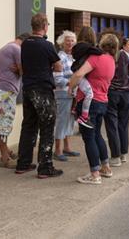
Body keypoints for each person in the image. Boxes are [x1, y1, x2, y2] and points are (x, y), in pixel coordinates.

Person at [16, 13, 63, 178]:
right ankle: (45, 167)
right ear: (44, 26)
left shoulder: (25, 44)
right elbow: (58, 67)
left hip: (28, 89)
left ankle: (23, 163)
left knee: (28, 126)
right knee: (47, 127)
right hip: (43, 89)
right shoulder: (47, 45)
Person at [68, 32, 117, 185]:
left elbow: (79, 74)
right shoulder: (111, 60)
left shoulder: (96, 58)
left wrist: (71, 86)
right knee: (97, 135)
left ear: (102, 44)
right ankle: (106, 168)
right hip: (103, 101)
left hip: (89, 103)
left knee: (89, 137)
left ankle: (94, 174)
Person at [0, 33, 30, 169]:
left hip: (2, 91)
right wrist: (21, 69)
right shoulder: (16, 49)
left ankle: (6, 151)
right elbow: (24, 71)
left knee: (3, 123)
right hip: (5, 93)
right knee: (4, 124)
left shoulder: (8, 48)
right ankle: (5, 158)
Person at [103, 31, 129, 167]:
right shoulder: (124, 56)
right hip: (126, 93)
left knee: (112, 125)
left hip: (112, 92)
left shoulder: (106, 57)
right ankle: (123, 154)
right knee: (123, 124)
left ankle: (115, 156)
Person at [53, 30, 80, 162]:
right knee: (61, 120)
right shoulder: (60, 57)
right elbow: (57, 79)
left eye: (72, 40)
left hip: (73, 94)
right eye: (67, 40)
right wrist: (72, 82)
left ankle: (67, 147)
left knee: (69, 121)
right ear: (62, 43)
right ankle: (57, 149)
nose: (70, 42)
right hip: (63, 93)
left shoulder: (73, 57)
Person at [70, 27, 104, 129]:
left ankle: (75, 108)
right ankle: (84, 116)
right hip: (81, 73)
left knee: (77, 90)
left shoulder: (77, 47)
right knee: (89, 93)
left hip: (77, 71)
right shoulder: (86, 47)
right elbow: (98, 52)